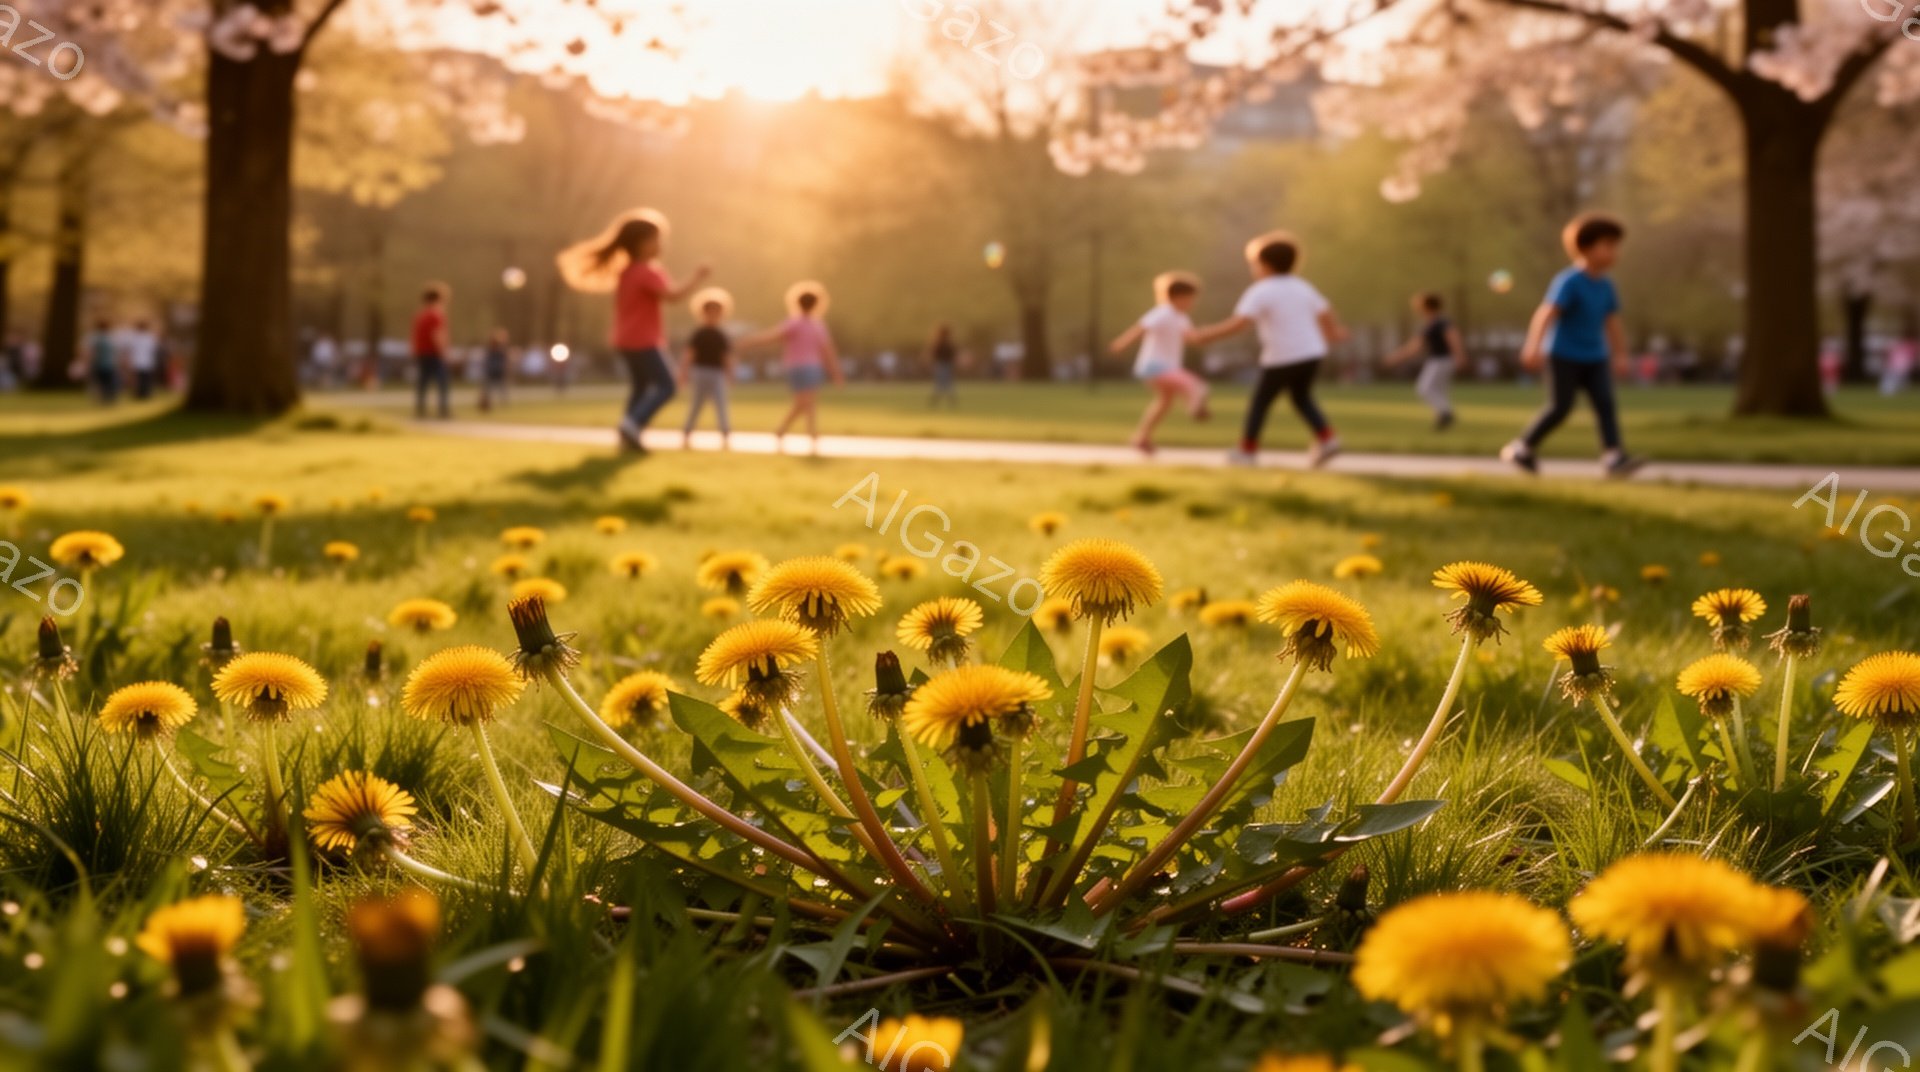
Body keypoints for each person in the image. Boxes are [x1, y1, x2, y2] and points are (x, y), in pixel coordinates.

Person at [1500, 213, 1644, 478]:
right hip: (1563, 354)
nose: (1615, 252)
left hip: (1595, 355)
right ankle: (1522, 447)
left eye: (1616, 246)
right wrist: (1533, 346)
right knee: (1560, 407)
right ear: (1586, 248)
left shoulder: (1606, 285)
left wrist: (1621, 354)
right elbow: (1547, 313)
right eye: (1609, 246)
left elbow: (1612, 322)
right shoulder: (1569, 281)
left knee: (1605, 403)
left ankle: (1613, 457)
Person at [557, 208, 711, 454]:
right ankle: (631, 425)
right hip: (643, 340)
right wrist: (697, 278)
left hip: (624, 339)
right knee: (667, 385)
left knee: (640, 387)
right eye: (656, 239)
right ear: (640, 244)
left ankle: (628, 434)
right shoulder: (646, 272)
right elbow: (673, 296)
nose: (661, 245)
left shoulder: (628, 271)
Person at [1190, 231, 1348, 467]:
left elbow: (1240, 324)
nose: (1253, 269)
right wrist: (1332, 332)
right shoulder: (1302, 286)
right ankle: (1328, 439)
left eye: (1254, 264)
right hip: (1311, 353)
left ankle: (1247, 451)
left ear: (1264, 265)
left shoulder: (1262, 290)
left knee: (1261, 402)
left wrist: (1206, 335)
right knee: (1301, 398)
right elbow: (1325, 311)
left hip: (1283, 356)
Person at [1109, 271, 1212, 455]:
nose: (1192, 304)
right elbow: (1141, 328)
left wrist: (1207, 335)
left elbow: (1191, 338)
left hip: (1166, 368)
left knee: (1165, 403)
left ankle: (1142, 438)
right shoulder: (1163, 313)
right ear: (1177, 297)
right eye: (1189, 299)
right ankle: (1195, 409)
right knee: (1196, 385)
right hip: (1155, 366)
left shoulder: (1181, 318)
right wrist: (1122, 343)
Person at [740, 281, 843, 454]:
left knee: (808, 403)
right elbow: (773, 337)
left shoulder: (816, 325)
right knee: (804, 403)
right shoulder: (798, 324)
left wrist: (836, 372)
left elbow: (827, 351)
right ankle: (788, 430)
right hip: (800, 367)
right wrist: (751, 341)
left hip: (808, 367)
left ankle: (808, 433)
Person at [1385, 292, 1466, 430]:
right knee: (1439, 390)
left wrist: (1459, 355)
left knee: (1425, 388)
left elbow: (1452, 338)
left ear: (1426, 306)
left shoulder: (1440, 323)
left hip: (1441, 360)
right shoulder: (1433, 323)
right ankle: (1442, 416)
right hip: (1441, 360)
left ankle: (1445, 413)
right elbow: (1416, 345)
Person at [679, 288, 735, 449]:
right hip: (700, 372)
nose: (713, 315)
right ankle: (687, 431)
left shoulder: (721, 334)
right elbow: (690, 354)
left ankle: (725, 432)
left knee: (720, 403)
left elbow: (726, 356)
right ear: (703, 313)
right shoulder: (699, 333)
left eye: (716, 312)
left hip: (717, 373)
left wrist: (730, 373)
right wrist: (683, 372)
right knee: (696, 403)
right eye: (710, 311)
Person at [410, 284, 453, 419]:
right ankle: (443, 411)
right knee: (443, 382)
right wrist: (443, 352)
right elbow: (437, 335)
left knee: (423, 382)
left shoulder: (420, 315)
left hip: (421, 353)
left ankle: (420, 410)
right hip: (434, 353)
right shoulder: (436, 315)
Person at [122, 319, 160, 400]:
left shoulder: (134, 337)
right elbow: (154, 350)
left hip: (137, 361)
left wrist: (128, 360)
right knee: (145, 379)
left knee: (138, 379)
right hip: (147, 361)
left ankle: (139, 394)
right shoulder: (150, 337)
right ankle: (145, 394)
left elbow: (129, 350)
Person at [88, 319, 119, 404]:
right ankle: (108, 398)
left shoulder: (95, 338)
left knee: (100, 382)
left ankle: (102, 398)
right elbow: (115, 352)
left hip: (99, 363)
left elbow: (92, 352)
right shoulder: (111, 338)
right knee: (109, 382)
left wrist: (89, 362)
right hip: (109, 364)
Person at [927, 323, 959, 408]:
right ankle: (950, 403)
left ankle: (935, 403)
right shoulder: (946, 344)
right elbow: (953, 355)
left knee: (941, 384)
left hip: (941, 365)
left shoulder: (939, 343)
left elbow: (934, 355)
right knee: (946, 384)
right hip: (945, 365)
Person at [480, 327, 511, 412]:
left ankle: (503, 402)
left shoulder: (501, 349)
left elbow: (505, 359)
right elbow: (487, 359)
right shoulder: (490, 349)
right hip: (492, 370)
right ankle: (485, 402)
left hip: (498, 370)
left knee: (502, 387)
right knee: (488, 388)